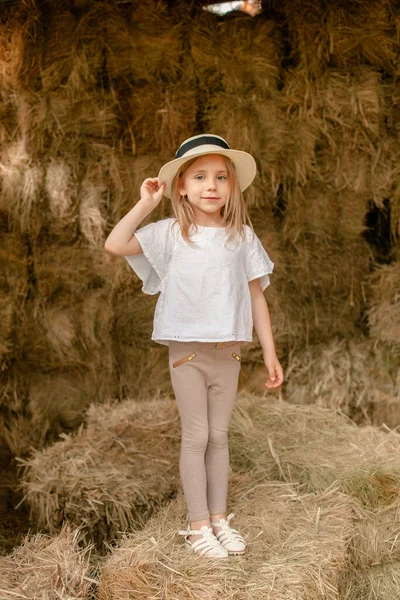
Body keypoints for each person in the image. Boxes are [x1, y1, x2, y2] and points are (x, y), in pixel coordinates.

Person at [104, 134, 284, 559]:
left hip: (229, 352)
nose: (211, 185)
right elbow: (114, 244)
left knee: (220, 436)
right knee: (197, 435)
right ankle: (197, 525)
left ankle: (219, 519)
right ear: (180, 186)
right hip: (188, 353)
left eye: (221, 177)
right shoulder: (170, 233)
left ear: (232, 187)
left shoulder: (242, 237)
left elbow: (257, 296)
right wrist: (146, 204)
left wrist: (271, 353)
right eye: (200, 176)